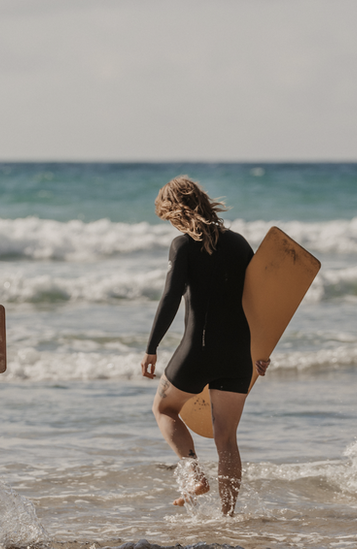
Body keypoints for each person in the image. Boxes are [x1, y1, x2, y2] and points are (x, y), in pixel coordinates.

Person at [140, 175, 268, 516]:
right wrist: (262, 350)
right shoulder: (240, 244)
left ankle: (194, 472)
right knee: (226, 439)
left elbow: (170, 298)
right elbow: (259, 301)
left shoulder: (182, 246)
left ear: (177, 211)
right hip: (238, 354)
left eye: (168, 216)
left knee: (163, 408)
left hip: (198, 350)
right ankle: (227, 516)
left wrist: (151, 347)